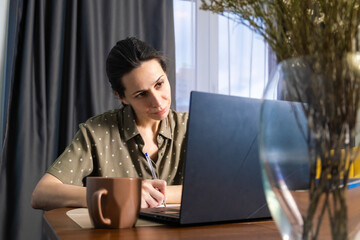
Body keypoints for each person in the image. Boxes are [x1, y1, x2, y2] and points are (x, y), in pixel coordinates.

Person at [31, 37, 188, 211]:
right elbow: (42, 193)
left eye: (159, 84)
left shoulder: (191, 126)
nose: (158, 102)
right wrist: (121, 193)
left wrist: (150, 194)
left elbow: (221, 187)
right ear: (121, 97)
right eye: (141, 94)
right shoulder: (97, 132)